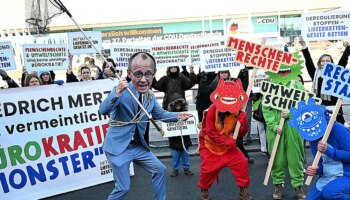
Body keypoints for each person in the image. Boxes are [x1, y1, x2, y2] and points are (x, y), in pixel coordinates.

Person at [99, 52, 192, 200]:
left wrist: (178, 116)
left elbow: (160, 114)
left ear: (154, 74)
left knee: (160, 169)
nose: (143, 79)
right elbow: (103, 110)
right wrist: (116, 92)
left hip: (138, 146)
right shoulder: (121, 91)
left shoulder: (149, 95)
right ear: (129, 73)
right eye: (138, 74)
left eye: (148, 74)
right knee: (123, 188)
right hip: (118, 148)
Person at [198, 79, 253, 200]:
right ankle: (204, 189)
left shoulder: (239, 110)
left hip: (229, 147)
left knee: (242, 162)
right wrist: (227, 142)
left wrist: (243, 122)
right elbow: (210, 132)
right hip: (211, 146)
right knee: (207, 170)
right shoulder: (213, 109)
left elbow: (241, 134)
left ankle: (243, 190)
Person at [199, 70, 254, 163]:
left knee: (237, 137)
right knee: (224, 137)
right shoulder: (215, 83)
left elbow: (244, 87)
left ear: (229, 74)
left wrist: (245, 74)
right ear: (219, 74)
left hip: (233, 114)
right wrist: (203, 79)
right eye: (222, 73)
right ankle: (231, 158)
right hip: (220, 116)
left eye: (226, 73)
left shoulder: (234, 81)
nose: (224, 74)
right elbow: (206, 90)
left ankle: (244, 157)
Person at [299, 37, 350, 124]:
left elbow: (343, 61)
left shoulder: (335, 74)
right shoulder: (315, 74)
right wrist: (304, 47)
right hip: (320, 112)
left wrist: (348, 47)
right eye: (323, 61)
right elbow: (308, 61)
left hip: (336, 112)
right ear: (319, 63)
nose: (325, 62)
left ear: (332, 63)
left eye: (328, 61)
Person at [306, 111, 350, 200]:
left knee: (330, 192)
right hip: (327, 176)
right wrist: (315, 170)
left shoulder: (338, 128)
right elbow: (320, 163)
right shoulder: (311, 135)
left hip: (346, 174)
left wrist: (329, 151)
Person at [167, 93, 194, 177]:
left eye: (179, 105)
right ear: (173, 105)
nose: (178, 107)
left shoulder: (186, 113)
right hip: (174, 139)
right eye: (176, 105)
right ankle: (175, 170)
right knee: (175, 156)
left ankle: (186, 169)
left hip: (184, 138)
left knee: (185, 155)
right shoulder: (169, 115)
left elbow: (190, 125)